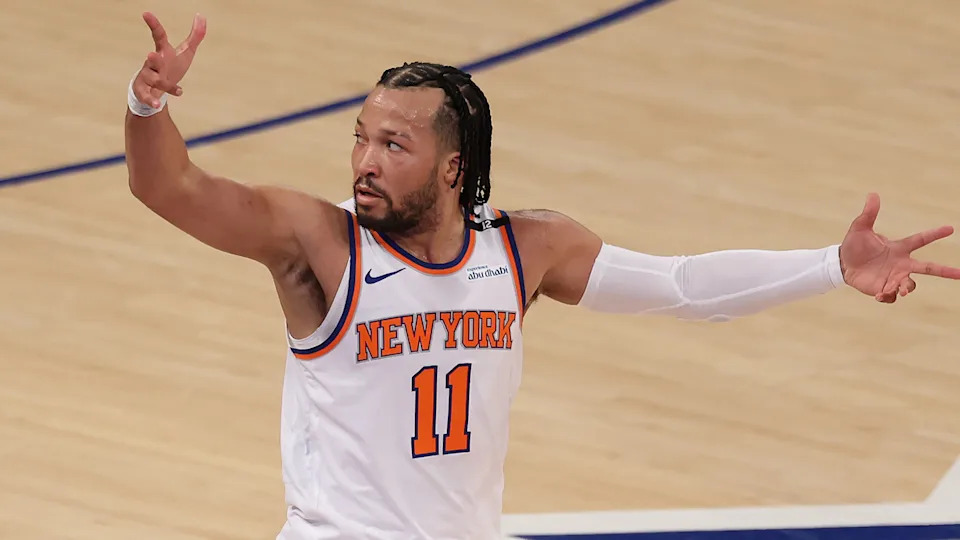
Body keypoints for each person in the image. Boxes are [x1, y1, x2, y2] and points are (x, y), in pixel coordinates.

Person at [124, 12, 960, 540]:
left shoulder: (525, 249)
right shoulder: (318, 243)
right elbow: (172, 189)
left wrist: (829, 264)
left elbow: (682, 287)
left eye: (393, 146)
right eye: (359, 138)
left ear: (453, 170)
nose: (364, 164)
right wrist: (149, 106)